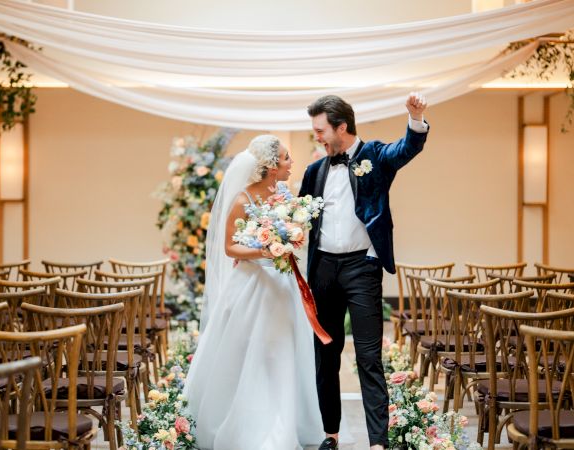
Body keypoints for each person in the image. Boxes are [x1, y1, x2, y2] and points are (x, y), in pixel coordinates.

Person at [299, 93, 429, 450]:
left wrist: (415, 119)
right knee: (326, 354)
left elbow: (405, 149)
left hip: (362, 267)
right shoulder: (314, 171)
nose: (317, 137)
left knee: (369, 357)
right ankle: (330, 434)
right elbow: (298, 219)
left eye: (320, 130)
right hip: (323, 269)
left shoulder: (374, 155)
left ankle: (377, 443)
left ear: (342, 127)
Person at [184, 134, 323, 450]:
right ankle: (248, 422)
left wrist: (293, 237)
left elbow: (296, 229)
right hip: (253, 285)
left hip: (283, 284)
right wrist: (265, 251)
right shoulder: (242, 200)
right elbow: (230, 247)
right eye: (287, 158)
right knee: (252, 350)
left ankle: (286, 421)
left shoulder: (287, 194)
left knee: (283, 350)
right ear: (273, 166)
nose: (291, 164)